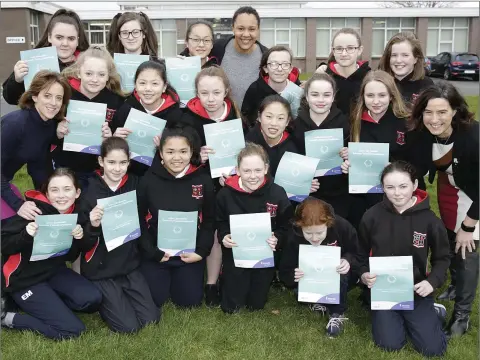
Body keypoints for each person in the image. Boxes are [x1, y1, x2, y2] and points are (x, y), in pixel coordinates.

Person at [408, 81, 479, 338]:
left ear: (455, 111)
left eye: (442, 112)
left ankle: (462, 316)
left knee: (466, 248)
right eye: (429, 112)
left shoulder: (473, 137)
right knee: (450, 240)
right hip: (449, 190)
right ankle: (454, 283)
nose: (434, 119)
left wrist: (469, 225)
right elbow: (413, 164)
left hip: (475, 195)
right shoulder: (423, 133)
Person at [357, 161, 449, 357]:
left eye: (403, 186)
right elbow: (360, 254)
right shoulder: (371, 216)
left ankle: (430, 312)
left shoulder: (431, 220)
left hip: (415, 290)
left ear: (415, 185)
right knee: (390, 345)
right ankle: (393, 316)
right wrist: (364, 274)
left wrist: (432, 282)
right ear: (382, 188)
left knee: (432, 349)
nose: (397, 193)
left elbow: (442, 258)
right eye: (390, 187)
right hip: (383, 291)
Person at [0, 168, 102, 340]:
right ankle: (10, 318)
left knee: (92, 300)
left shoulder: (76, 214)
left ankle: (46, 303)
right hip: (23, 279)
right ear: (46, 193)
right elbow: (4, 246)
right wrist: (25, 235)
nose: (61, 196)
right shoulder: (34, 211)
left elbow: (70, 256)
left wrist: (78, 238)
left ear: (77, 192)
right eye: (54, 190)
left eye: (67, 189)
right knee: (72, 330)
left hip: (53, 272)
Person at [79, 137, 160, 333]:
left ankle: (123, 296)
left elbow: (141, 221)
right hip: (101, 269)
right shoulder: (89, 193)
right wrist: (93, 224)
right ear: (101, 162)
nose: (117, 168)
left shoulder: (135, 184)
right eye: (111, 162)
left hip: (128, 265)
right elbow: (82, 244)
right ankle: (106, 299)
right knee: (128, 327)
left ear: (129, 162)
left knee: (151, 320)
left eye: (123, 163)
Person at [137, 125, 215, 308]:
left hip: (188, 254)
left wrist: (201, 252)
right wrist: (152, 252)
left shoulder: (203, 180)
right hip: (157, 254)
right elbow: (138, 220)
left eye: (183, 151)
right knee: (155, 299)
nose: (177, 157)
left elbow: (210, 220)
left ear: (191, 152)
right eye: (170, 151)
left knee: (189, 301)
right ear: (161, 153)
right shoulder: (148, 180)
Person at [216, 142, 293, 313]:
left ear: (266, 168)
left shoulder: (277, 193)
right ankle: (225, 277)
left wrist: (277, 239)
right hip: (236, 254)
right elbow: (219, 221)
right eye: (247, 171)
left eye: (258, 170)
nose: (252, 176)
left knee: (256, 305)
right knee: (231, 307)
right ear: (237, 170)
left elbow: (286, 226)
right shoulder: (225, 194)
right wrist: (224, 236)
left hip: (264, 255)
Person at [279, 197, 359, 337]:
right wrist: (293, 275)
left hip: (338, 275)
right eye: (308, 233)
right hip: (308, 278)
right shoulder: (292, 236)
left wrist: (347, 260)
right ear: (300, 226)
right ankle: (312, 300)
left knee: (340, 270)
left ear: (328, 224)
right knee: (298, 285)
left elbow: (357, 250)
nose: (315, 238)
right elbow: (285, 270)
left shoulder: (342, 226)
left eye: (320, 233)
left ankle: (337, 313)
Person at [341, 70, 411, 229]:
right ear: (363, 96)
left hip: (394, 196)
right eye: (370, 95)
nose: (376, 101)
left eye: (382, 95)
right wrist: (346, 161)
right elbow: (349, 154)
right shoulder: (354, 122)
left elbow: (416, 163)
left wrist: (396, 168)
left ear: (391, 96)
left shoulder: (405, 122)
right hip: (360, 196)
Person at [1, 71, 71, 222]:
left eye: (58, 98)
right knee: (10, 228)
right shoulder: (15, 124)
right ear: (34, 96)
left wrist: (50, 198)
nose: (53, 103)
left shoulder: (49, 125)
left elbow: (37, 166)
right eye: (47, 95)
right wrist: (18, 205)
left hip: (4, 181)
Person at [54, 46, 124, 191]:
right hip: (66, 167)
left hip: (98, 170)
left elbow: (119, 136)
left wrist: (110, 138)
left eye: (101, 74)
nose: (94, 79)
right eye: (89, 73)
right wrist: (57, 131)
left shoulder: (115, 101)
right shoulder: (65, 93)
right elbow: (45, 125)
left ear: (108, 76)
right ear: (79, 72)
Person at [292, 73, 350, 219]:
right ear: (306, 96)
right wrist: (302, 183)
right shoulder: (295, 125)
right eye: (315, 94)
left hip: (339, 195)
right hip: (307, 196)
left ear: (333, 96)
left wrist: (350, 155)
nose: (321, 100)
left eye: (326, 95)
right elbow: (291, 162)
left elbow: (355, 163)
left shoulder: (345, 123)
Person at [111, 60, 183, 177]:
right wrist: (114, 139)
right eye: (142, 83)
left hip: (162, 175)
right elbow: (110, 149)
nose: (148, 89)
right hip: (127, 175)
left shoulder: (175, 115)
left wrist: (166, 147)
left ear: (164, 87)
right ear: (135, 85)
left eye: (155, 84)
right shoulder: (125, 109)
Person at [2, 9, 89, 105]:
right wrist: (17, 80)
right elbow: (11, 99)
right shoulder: (33, 60)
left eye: (71, 38)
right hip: (39, 119)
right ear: (49, 37)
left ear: (77, 40)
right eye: (59, 37)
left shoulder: (88, 63)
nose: (65, 43)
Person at [211, 6, 268, 108]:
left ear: (258, 30)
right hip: (223, 120)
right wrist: (183, 58)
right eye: (241, 28)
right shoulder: (218, 49)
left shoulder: (267, 56)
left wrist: (300, 85)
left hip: (253, 121)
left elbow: (283, 73)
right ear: (233, 28)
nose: (246, 34)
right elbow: (198, 53)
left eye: (252, 29)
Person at [315, 28, 371, 117]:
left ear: (360, 50)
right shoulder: (324, 76)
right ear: (333, 51)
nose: (344, 53)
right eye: (339, 48)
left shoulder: (369, 78)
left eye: (350, 48)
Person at [241, 46, 301, 128]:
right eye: (273, 64)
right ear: (265, 68)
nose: (280, 69)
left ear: (290, 69)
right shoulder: (254, 90)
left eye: (285, 64)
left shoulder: (298, 92)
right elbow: (246, 121)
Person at [245, 95, 300, 177]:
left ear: (287, 121)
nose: (274, 123)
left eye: (280, 118)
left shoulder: (292, 150)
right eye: (269, 116)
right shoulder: (247, 142)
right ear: (259, 117)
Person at [378, 31, 434, 106]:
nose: (398, 60)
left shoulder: (426, 85)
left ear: (415, 59)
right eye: (394, 55)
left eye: (405, 55)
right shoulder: (379, 83)